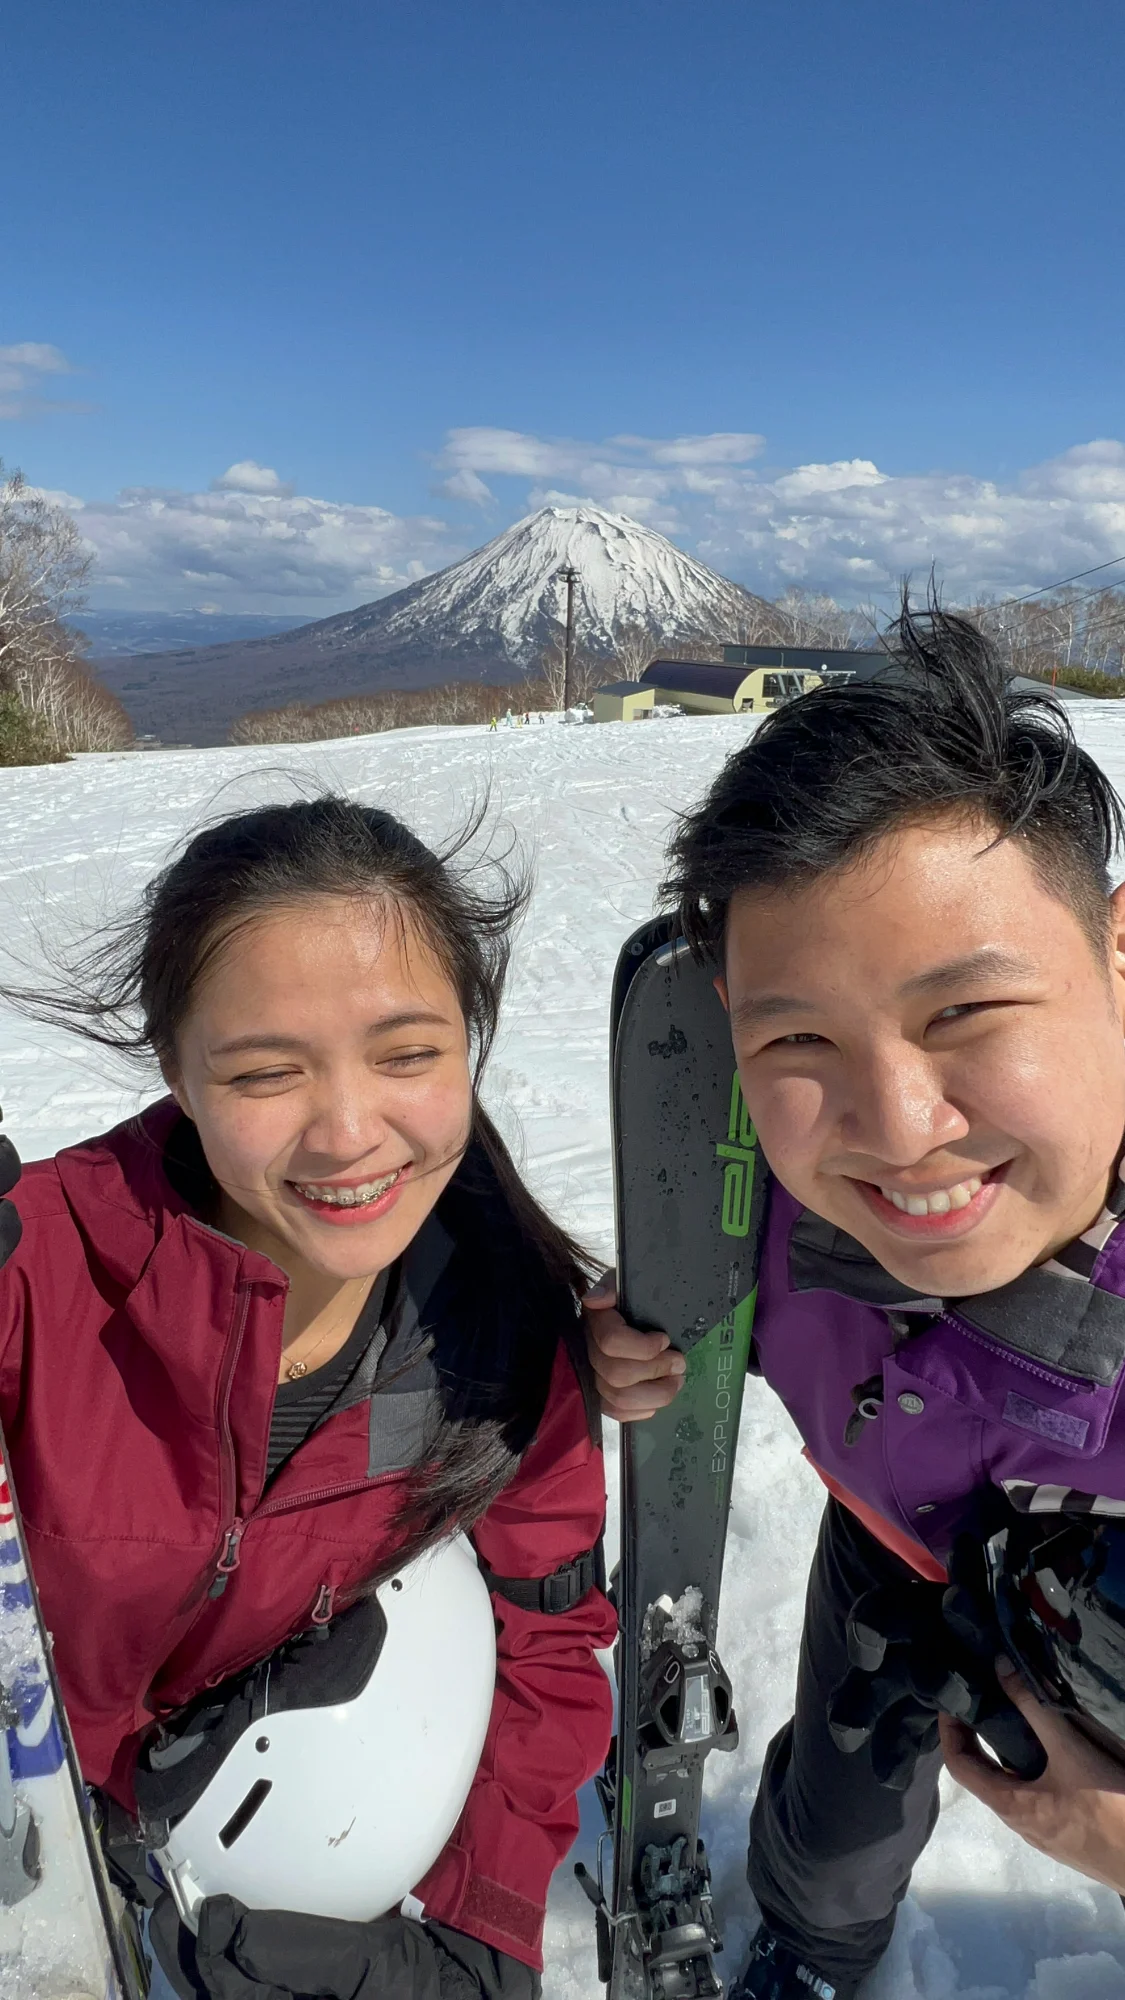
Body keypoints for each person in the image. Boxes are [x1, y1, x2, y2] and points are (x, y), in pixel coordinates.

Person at [587, 602, 1125, 1998]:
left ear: (1118, 954)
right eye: (798, 1037)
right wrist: (644, 1339)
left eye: (967, 1015)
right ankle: (817, 1954)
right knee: (831, 1839)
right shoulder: (759, 1203)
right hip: (897, 1543)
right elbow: (683, 1311)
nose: (897, 1126)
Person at [0, 797, 614, 2000]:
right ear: (176, 1064)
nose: (347, 1135)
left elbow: (548, 1633)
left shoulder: (492, 1320)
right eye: (267, 1071)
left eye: (407, 1055)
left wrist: (484, 1928)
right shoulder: (43, 1271)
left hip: (269, 1844)